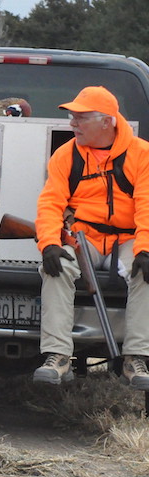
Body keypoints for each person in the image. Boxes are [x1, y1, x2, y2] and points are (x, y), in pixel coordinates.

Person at [33, 86, 149, 390]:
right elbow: (49, 203)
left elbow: (148, 205)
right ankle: (57, 358)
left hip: (129, 238)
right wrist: (49, 244)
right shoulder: (66, 155)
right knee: (55, 269)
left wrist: (145, 249)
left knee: (145, 272)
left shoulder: (142, 154)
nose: (73, 124)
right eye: (73, 117)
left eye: (81, 118)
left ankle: (136, 358)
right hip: (85, 238)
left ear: (107, 122)